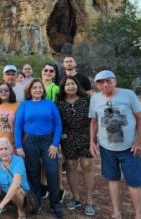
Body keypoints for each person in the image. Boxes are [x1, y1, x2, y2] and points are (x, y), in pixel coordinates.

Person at [89, 70, 141, 219]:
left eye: (109, 80)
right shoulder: (95, 99)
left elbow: (140, 119)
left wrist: (138, 141)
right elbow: (94, 122)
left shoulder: (128, 94)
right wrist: (92, 142)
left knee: (134, 182)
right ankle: (116, 212)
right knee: (112, 179)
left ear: (115, 81)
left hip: (129, 148)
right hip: (107, 148)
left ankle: (138, 215)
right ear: (97, 85)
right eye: (101, 82)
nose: (105, 84)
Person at [15, 79, 64, 218]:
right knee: (33, 172)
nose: (37, 90)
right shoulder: (24, 105)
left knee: (52, 171)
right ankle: (36, 203)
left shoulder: (50, 104)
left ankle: (55, 203)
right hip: (30, 141)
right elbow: (18, 126)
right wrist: (18, 145)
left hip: (48, 141)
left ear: (43, 90)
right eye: (34, 88)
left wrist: (55, 144)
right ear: (30, 90)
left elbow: (58, 125)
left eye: (40, 88)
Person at [56, 76, 95, 215]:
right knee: (71, 167)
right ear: (63, 88)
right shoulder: (59, 103)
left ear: (77, 85)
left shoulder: (87, 100)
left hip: (86, 136)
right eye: (68, 84)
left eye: (73, 84)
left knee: (87, 166)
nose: (71, 86)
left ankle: (89, 201)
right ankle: (75, 197)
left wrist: (94, 139)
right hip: (68, 138)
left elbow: (94, 120)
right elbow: (57, 123)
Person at [0, 83, 18, 148]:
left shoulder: (17, 105)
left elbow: (20, 125)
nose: (3, 92)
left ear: (10, 91)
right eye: (1, 91)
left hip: (12, 144)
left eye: (6, 90)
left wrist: (18, 143)